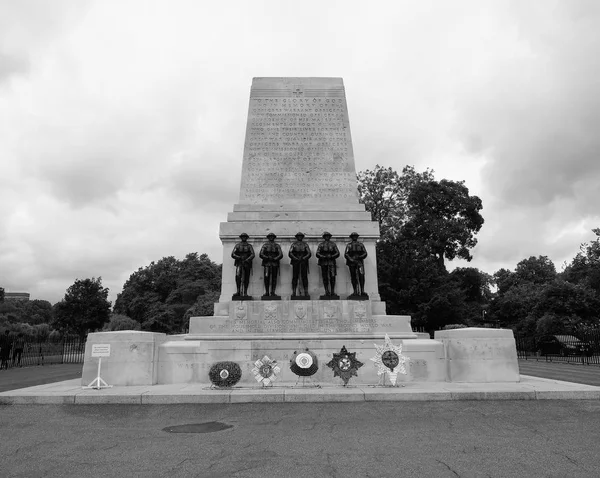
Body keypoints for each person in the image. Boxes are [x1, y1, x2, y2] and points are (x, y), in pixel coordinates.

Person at [316, 232, 340, 297]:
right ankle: (326, 291)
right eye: (326, 236)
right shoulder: (321, 244)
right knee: (325, 277)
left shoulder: (333, 244)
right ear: (324, 237)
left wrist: (331, 256)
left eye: (328, 236)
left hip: (331, 262)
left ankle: (332, 291)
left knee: (332, 277)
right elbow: (317, 253)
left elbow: (337, 253)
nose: (327, 237)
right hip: (323, 262)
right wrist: (324, 256)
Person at [259, 233, 283, 297]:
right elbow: (261, 254)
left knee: (274, 278)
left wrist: (275, 258)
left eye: (272, 237)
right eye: (270, 237)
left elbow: (280, 254)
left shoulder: (277, 245)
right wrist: (267, 258)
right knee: (266, 277)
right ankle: (267, 292)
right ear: (268, 237)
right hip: (267, 263)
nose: (271, 238)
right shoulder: (265, 245)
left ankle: (273, 292)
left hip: (274, 263)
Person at [231, 233, 255, 297]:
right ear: (241, 238)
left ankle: (245, 292)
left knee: (246, 277)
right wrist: (239, 257)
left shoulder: (249, 246)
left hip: (247, 263)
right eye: (243, 237)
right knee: (238, 276)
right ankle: (238, 291)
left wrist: (247, 259)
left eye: (245, 237)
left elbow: (253, 254)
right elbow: (233, 254)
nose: (244, 238)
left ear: (247, 238)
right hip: (239, 263)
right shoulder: (237, 245)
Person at [345, 232, 368, 296]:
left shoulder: (361, 245)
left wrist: (360, 257)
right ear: (351, 237)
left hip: (359, 262)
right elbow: (346, 254)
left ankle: (362, 290)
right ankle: (355, 291)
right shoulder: (349, 245)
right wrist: (351, 259)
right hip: (351, 263)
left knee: (361, 276)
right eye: (353, 236)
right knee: (353, 276)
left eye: (355, 236)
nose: (354, 237)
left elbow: (365, 253)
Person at [289, 232, 311, 297]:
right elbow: (290, 253)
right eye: (298, 236)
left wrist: (304, 258)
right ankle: (294, 292)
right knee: (295, 277)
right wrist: (295, 258)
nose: (299, 237)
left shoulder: (305, 244)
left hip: (303, 262)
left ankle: (306, 292)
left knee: (304, 277)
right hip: (296, 262)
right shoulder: (293, 244)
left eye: (301, 236)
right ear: (296, 237)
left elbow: (309, 253)